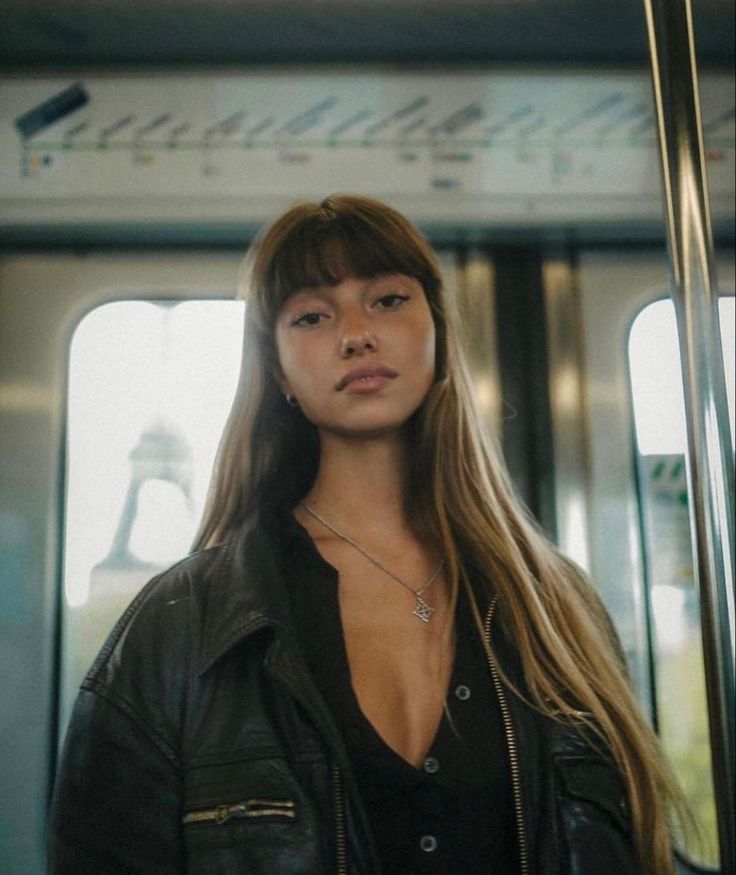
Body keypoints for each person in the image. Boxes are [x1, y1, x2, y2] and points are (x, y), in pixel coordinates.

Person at [49, 194, 685, 874]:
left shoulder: (557, 606)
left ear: (436, 332)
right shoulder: (178, 628)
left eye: (386, 300)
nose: (356, 333)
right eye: (313, 315)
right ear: (278, 371)